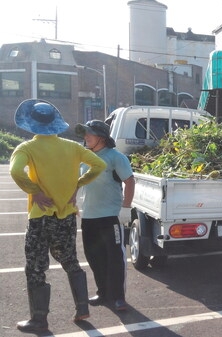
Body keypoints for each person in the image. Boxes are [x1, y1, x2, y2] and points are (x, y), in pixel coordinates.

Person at [9, 99, 106, 332]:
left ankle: (39, 320)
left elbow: (15, 171)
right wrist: (77, 185)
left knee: (35, 266)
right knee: (71, 260)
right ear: (55, 122)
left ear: (31, 123)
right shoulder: (72, 147)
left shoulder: (27, 148)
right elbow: (99, 165)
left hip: (41, 216)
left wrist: (35, 191)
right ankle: (82, 307)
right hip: (67, 215)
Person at [75, 120, 135, 312]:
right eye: (84, 133)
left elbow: (130, 181)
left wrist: (126, 208)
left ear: (101, 137)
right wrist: (71, 202)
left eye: (89, 134)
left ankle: (118, 297)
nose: (86, 137)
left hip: (110, 216)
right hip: (89, 216)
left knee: (114, 258)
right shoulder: (86, 158)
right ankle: (103, 293)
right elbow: (77, 182)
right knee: (94, 256)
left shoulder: (115, 157)